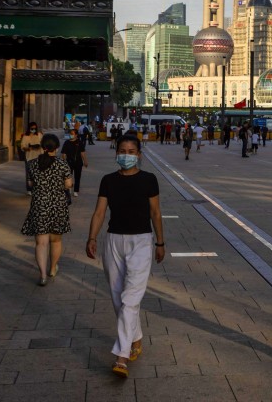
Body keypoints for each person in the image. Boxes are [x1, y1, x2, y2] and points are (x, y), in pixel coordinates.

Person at [86, 134, 165, 378]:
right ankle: (136, 337)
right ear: (116, 152)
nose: (127, 155)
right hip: (113, 241)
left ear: (139, 155)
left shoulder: (149, 179)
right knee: (118, 298)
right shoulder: (108, 180)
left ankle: (122, 355)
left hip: (141, 240)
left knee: (130, 298)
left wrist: (159, 242)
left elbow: (155, 212)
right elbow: (99, 212)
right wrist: (91, 237)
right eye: (123, 150)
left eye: (132, 151)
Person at [22, 133, 73, 285]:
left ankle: (42, 275)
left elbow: (30, 184)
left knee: (41, 243)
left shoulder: (32, 164)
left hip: (39, 205)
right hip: (58, 205)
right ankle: (52, 268)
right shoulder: (62, 164)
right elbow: (68, 184)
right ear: (56, 148)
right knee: (56, 240)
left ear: (43, 146)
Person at [61, 129, 88, 198]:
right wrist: (64, 161)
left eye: (72, 133)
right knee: (68, 176)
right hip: (69, 162)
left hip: (78, 162)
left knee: (77, 177)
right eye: (70, 133)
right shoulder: (66, 142)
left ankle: (76, 191)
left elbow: (82, 152)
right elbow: (63, 153)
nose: (71, 135)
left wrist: (85, 161)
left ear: (76, 135)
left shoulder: (79, 142)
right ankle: (69, 189)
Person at [20, 122, 43, 195]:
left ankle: (37, 188)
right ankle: (29, 189)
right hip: (29, 157)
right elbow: (22, 146)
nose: (34, 130)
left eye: (35, 128)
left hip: (38, 157)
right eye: (32, 128)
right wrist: (27, 148)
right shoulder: (25, 136)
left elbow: (43, 144)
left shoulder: (39, 135)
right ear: (29, 128)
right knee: (29, 174)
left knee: (38, 173)